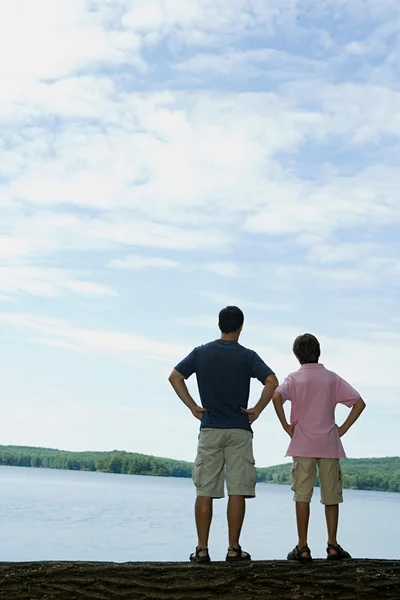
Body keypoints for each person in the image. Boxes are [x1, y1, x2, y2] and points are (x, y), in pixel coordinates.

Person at [168, 306, 278, 563]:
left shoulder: (201, 352)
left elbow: (175, 376)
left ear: (219, 325)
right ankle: (233, 549)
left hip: (210, 428)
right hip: (239, 429)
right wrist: (258, 409)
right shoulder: (248, 355)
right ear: (241, 327)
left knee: (205, 490)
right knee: (237, 490)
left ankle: (202, 549)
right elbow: (272, 381)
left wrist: (192, 406)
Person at [272, 333, 366, 562]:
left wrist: (286, 426)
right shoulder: (331, 378)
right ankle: (332, 545)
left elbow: (276, 397)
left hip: (302, 443)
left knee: (302, 496)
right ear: (318, 352)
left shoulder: (294, 379)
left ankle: (302, 547)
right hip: (329, 444)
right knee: (331, 496)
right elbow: (359, 403)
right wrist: (341, 429)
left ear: (296, 355)